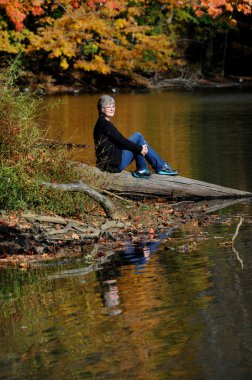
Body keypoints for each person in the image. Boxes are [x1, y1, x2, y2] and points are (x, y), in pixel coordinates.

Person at [93, 95, 178, 179]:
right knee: (138, 137)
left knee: (138, 139)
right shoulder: (104, 124)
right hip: (112, 166)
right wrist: (140, 148)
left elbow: (121, 142)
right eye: (108, 107)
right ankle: (158, 167)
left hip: (109, 163)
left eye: (113, 106)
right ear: (102, 108)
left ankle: (145, 168)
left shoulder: (102, 122)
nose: (112, 109)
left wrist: (139, 147)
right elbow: (122, 141)